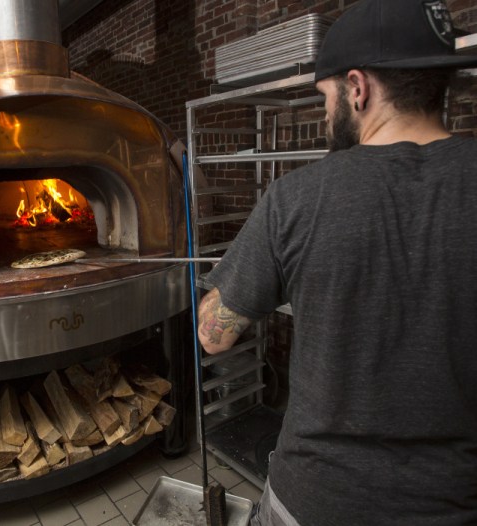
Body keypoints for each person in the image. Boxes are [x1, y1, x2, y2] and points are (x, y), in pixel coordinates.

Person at [197, 0, 477, 524]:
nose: (327, 114)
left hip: (315, 501)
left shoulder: (297, 198)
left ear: (357, 88)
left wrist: (234, 281)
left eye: (326, 98)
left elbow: (214, 335)